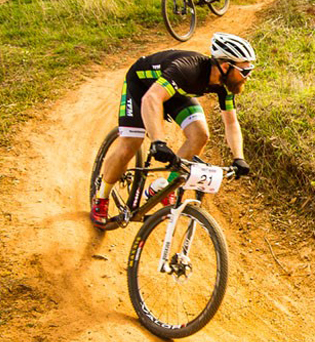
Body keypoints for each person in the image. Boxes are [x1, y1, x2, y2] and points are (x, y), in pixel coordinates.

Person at [90, 33, 256, 229]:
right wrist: (158, 142)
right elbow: (151, 98)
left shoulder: (226, 85)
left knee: (200, 135)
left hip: (174, 91)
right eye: (245, 71)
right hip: (142, 87)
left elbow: (231, 123)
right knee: (131, 144)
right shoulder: (187, 69)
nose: (249, 76)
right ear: (226, 67)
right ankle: (101, 197)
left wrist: (238, 157)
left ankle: (164, 189)